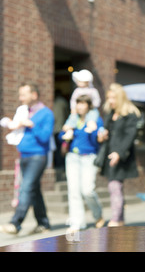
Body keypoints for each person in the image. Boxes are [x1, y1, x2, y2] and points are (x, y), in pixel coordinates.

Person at [0, 84, 55, 235]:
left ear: (34, 95)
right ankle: (44, 223)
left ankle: (15, 223)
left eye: (23, 94)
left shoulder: (46, 114)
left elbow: (45, 137)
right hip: (24, 156)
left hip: (38, 157)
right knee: (34, 190)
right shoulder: (24, 112)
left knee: (26, 187)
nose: (20, 98)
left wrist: (31, 125)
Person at [59, 95, 105, 232]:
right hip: (72, 157)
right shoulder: (73, 119)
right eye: (78, 103)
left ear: (88, 105)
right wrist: (65, 133)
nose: (79, 106)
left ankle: (98, 214)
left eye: (83, 104)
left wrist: (95, 131)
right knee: (73, 190)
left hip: (88, 157)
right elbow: (61, 135)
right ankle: (77, 222)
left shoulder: (96, 119)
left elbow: (99, 139)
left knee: (87, 190)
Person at [97, 83, 140, 227]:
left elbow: (130, 136)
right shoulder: (110, 114)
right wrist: (103, 136)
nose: (110, 101)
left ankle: (115, 219)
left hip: (121, 156)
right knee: (116, 187)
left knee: (114, 186)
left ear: (120, 98)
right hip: (109, 154)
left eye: (113, 98)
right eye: (109, 98)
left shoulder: (130, 114)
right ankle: (120, 220)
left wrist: (119, 153)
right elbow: (107, 132)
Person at [62, 69, 101, 141]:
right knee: (72, 118)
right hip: (76, 113)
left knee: (92, 116)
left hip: (91, 110)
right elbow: (73, 101)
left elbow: (97, 101)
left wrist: (91, 106)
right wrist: (73, 109)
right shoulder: (77, 91)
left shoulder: (93, 91)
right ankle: (70, 130)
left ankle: (90, 126)